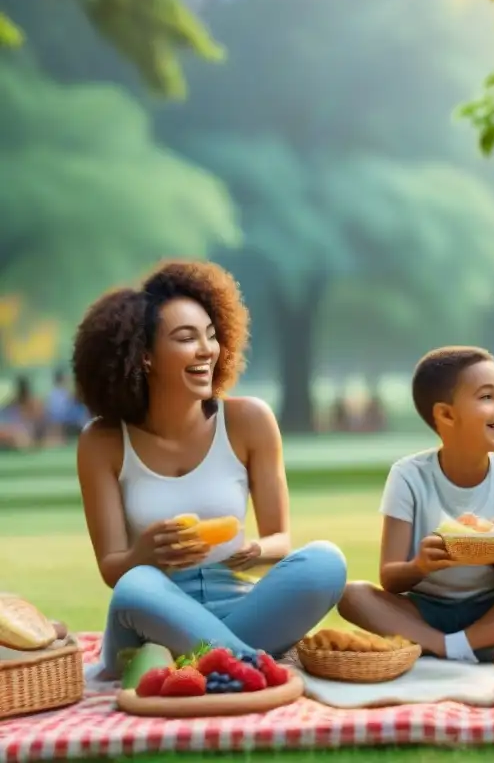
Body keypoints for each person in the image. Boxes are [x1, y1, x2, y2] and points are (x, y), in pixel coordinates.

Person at [73, 261, 347, 677]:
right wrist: (144, 555)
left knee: (326, 561)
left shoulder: (249, 421)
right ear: (144, 357)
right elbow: (114, 569)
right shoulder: (102, 441)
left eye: (212, 336)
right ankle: (249, 665)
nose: (207, 350)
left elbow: (280, 540)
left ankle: (221, 662)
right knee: (135, 585)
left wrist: (256, 550)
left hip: (240, 604)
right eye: (186, 338)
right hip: (155, 613)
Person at [337, 346, 494, 663]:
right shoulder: (408, 476)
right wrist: (419, 566)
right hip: (421, 612)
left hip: (488, 611)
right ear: (446, 414)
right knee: (350, 595)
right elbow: (390, 578)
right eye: (488, 397)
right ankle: (458, 647)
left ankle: (446, 648)